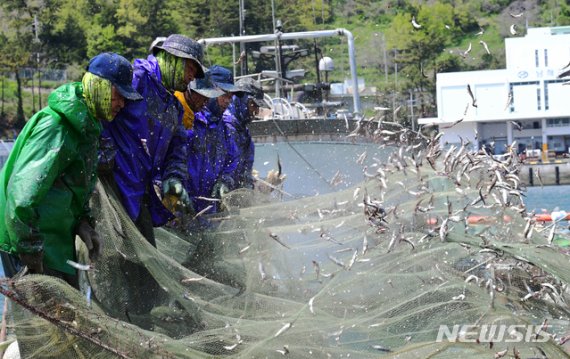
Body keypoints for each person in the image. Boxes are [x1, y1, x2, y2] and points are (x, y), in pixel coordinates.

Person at [0, 52, 142, 287]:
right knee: (43, 322)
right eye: (118, 95)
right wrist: (29, 250)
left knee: (64, 320)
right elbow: (22, 197)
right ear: (99, 87)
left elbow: (73, 187)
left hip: (56, 241)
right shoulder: (56, 127)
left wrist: (82, 223)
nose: (122, 104)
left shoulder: (87, 127)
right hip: (30, 243)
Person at [99, 34, 206, 246]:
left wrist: (173, 178)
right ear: (172, 58)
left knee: (144, 269)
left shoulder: (173, 107)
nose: (191, 78)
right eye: (190, 69)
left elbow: (177, 150)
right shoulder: (136, 79)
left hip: (140, 197)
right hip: (111, 193)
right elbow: (98, 111)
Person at [186, 66, 240, 214]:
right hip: (184, 205)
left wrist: (225, 181)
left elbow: (232, 159)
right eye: (224, 95)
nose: (228, 101)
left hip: (209, 210)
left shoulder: (223, 128)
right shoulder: (190, 120)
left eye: (230, 97)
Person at [225, 77, 268, 190]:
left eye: (258, 107)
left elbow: (246, 167)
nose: (256, 112)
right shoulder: (226, 126)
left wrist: (249, 183)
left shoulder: (243, 131)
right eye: (253, 105)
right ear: (240, 101)